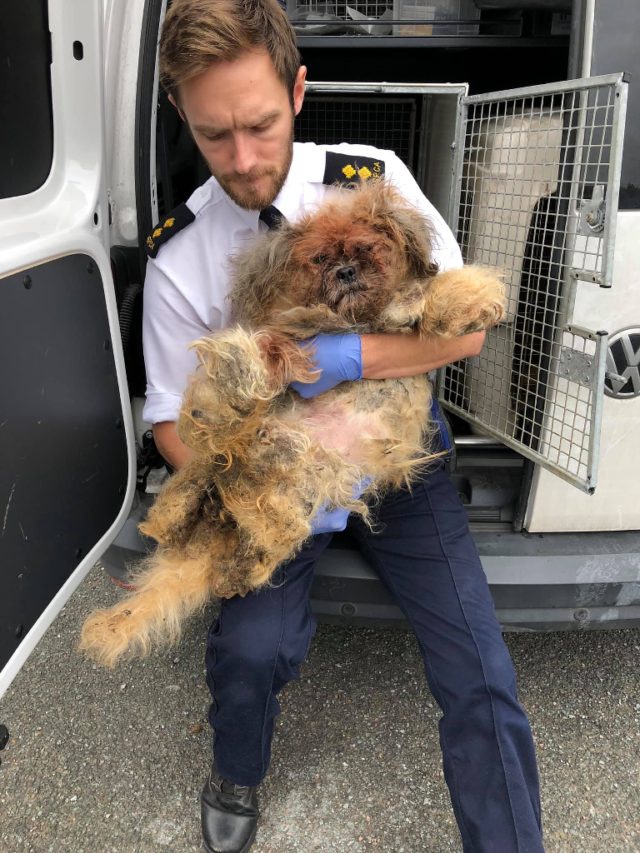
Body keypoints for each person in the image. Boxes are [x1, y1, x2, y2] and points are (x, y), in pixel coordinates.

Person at [142, 1, 544, 850]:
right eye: (216, 135)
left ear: (297, 88)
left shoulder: (374, 180)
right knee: (249, 646)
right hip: (281, 474)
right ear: (181, 112)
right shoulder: (181, 255)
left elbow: (464, 327)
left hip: (403, 456)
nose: (244, 161)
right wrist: (254, 481)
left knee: (478, 667)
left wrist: (351, 357)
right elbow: (170, 421)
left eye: (259, 123)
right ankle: (236, 769)